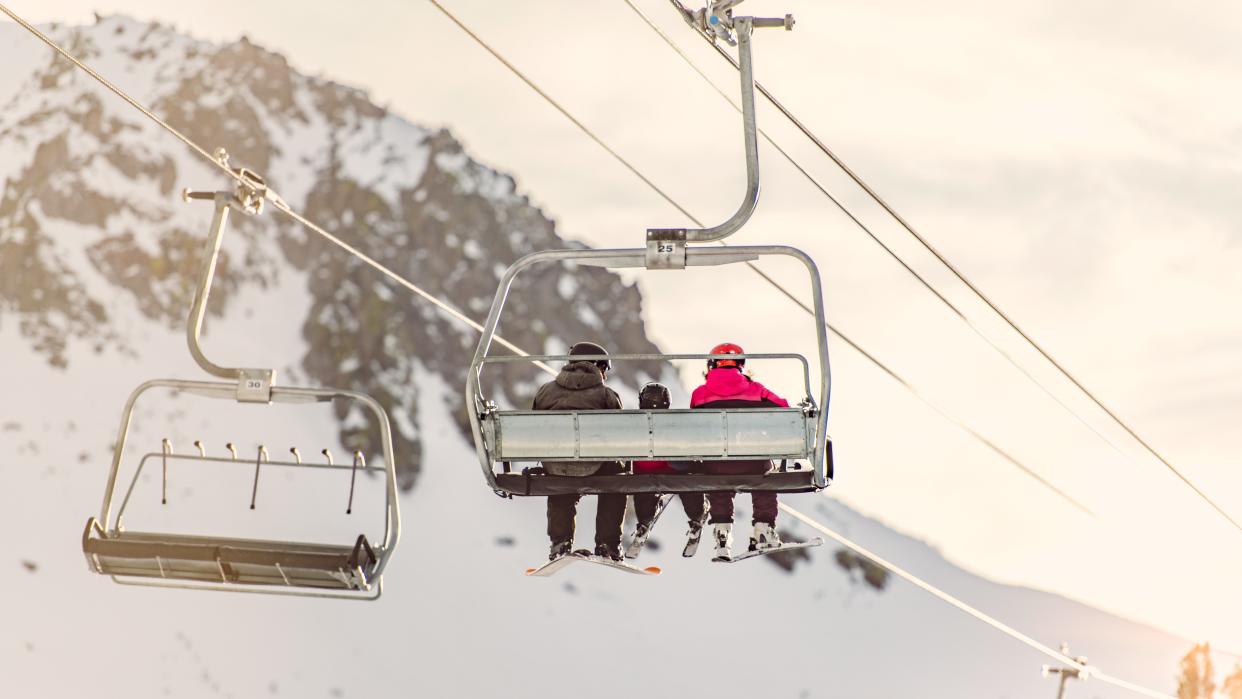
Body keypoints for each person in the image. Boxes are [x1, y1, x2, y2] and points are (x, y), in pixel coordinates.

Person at [690, 342, 789, 560]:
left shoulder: (700, 394)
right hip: (752, 461)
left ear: (711, 365)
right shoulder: (757, 390)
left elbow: (695, 429)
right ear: (741, 365)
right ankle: (763, 529)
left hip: (716, 463)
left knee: (718, 482)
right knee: (765, 479)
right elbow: (784, 409)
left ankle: (722, 537)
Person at [533, 341, 627, 561]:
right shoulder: (606, 395)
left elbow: (536, 428)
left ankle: (559, 542)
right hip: (595, 467)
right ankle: (608, 544)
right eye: (604, 369)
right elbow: (621, 435)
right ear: (598, 366)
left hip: (556, 465)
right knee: (617, 482)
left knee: (560, 482)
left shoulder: (545, 392)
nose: (604, 375)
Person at [626, 382, 709, 558]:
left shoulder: (632, 423)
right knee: (688, 479)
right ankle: (696, 517)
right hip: (672, 471)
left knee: (644, 491)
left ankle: (643, 523)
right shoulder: (673, 423)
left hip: (642, 473)